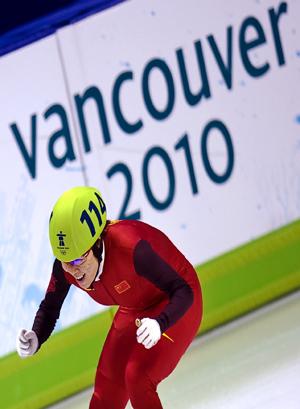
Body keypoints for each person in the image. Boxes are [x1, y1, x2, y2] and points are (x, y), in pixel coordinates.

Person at [16, 186, 203, 409]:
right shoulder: (66, 266)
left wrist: (160, 323)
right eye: (66, 261)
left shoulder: (133, 248)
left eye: (78, 260)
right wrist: (36, 335)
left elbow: (183, 291)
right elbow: (51, 305)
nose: (73, 270)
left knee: (137, 376)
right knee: (106, 394)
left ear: (96, 243)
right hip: (134, 307)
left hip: (177, 300)